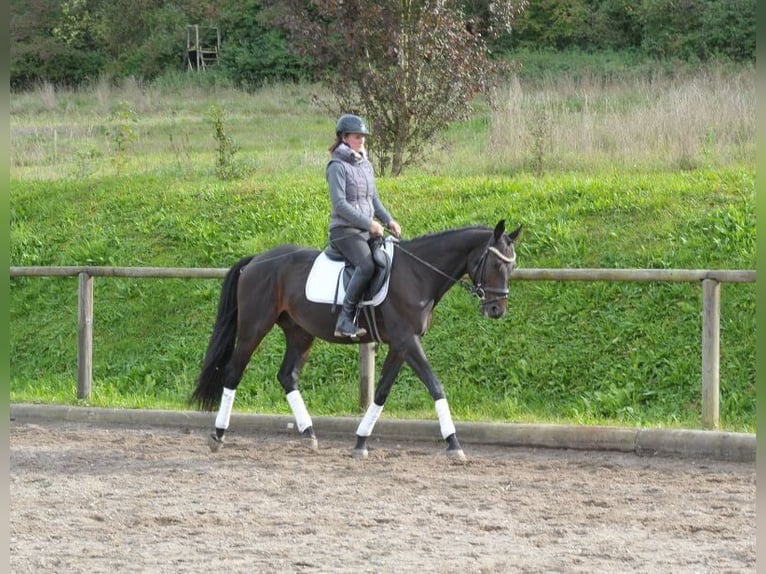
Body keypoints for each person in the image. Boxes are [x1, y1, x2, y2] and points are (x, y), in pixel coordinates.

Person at [326, 113, 402, 338]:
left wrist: (388, 220)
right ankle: (344, 319)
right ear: (344, 138)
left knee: (386, 260)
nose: (362, 141)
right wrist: (369, 224)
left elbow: (373, 200)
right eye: (358, 137)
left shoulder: (365, 165)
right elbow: (340, 205)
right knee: (367, 265)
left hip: (364, 230)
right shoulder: (336, 166)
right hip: (344, 231)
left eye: (363, 137)